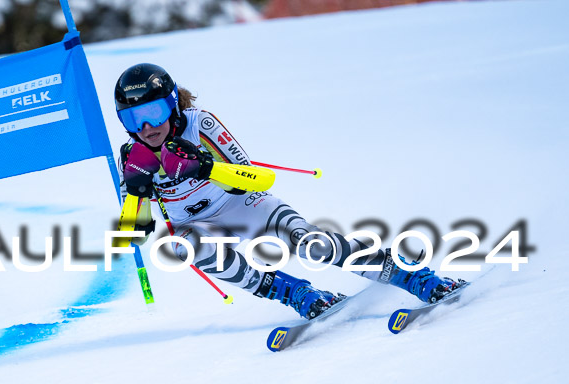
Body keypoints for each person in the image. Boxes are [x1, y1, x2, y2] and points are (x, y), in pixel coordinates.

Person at [114, 63, 459, 319]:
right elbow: (133, 234)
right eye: (133, 120)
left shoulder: (198, 124)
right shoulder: (131, 156)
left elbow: (257, 179)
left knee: (313, 246)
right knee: (184, 247)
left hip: (242, 204)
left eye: (153, 112)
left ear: (172, 104)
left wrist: (204, 167)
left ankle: (410, 274)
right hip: (199, 226)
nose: (146, 127)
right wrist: (135, 191)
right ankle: (294, 293)